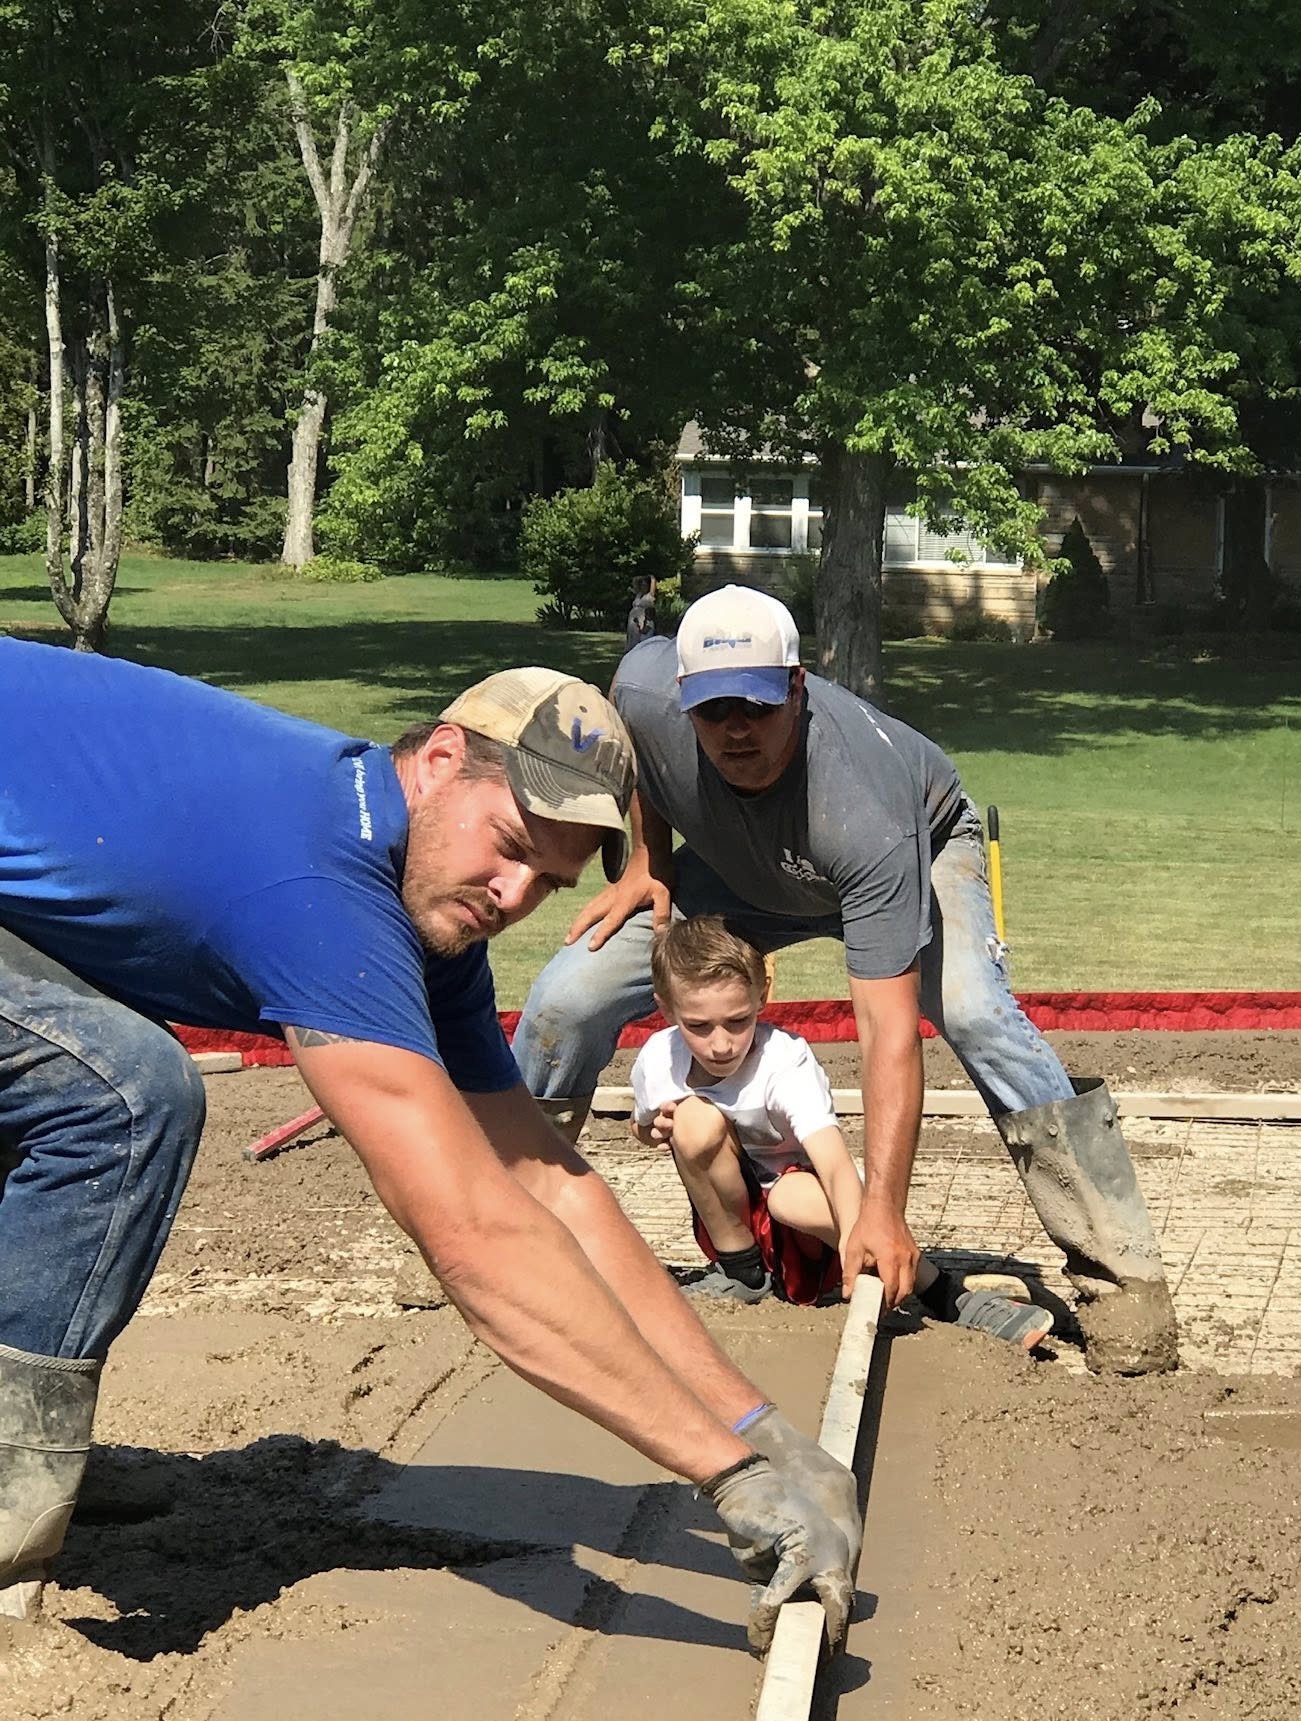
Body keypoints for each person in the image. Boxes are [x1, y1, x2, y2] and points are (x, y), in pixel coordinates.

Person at [0, 639, 858, 1646]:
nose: (511, 892)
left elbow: (548, 1187)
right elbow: (474, 1236)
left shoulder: (428, 918)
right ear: (442, 759)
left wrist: (759, 1428)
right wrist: (727, 1477)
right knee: (120, 1092)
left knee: (78, 1072)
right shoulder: (325, 884)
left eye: (545, 877)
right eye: (508, 841)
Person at [512, 583, 1178, 1377]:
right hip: (740, 873)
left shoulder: (861, 805)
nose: (734, 730)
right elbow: (637, 744)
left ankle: (1121, 1279)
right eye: (713, 709)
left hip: (915, 853)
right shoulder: (649, 689)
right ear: (684, 698)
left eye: (755, 707)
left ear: (797, 686)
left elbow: (888, 1033)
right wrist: (650, 860)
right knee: (566, 999)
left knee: (972, 1012)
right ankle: (502, 1226)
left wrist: (884, 1214)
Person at [634, 918, 1054, 1345]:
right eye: (699, 1027)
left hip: (806, 1229)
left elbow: (834, 1165)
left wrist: (865, 1248)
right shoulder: (658, 1058)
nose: (721, 1044)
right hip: (732, 1216)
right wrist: (650, 1133)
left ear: (763, 996)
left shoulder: (784, 1062)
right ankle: (740, 1273)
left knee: (789, 1197)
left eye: (738, 1021)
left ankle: (942, 1292)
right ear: (666, 1009)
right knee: (693, 1121)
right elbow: (645, 1124)